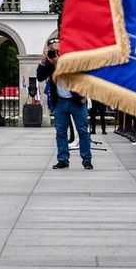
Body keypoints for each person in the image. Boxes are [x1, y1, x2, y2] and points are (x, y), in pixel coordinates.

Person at [36, 38, 91, 170]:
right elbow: (40, 77)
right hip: (60, 101)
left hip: (77, 100)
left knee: (83, 131)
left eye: (58, 50)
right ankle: (63, 159)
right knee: (60, 132)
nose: (56, 53)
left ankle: (86, 160)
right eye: (52, 50)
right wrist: (43, 63)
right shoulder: (49, 62)